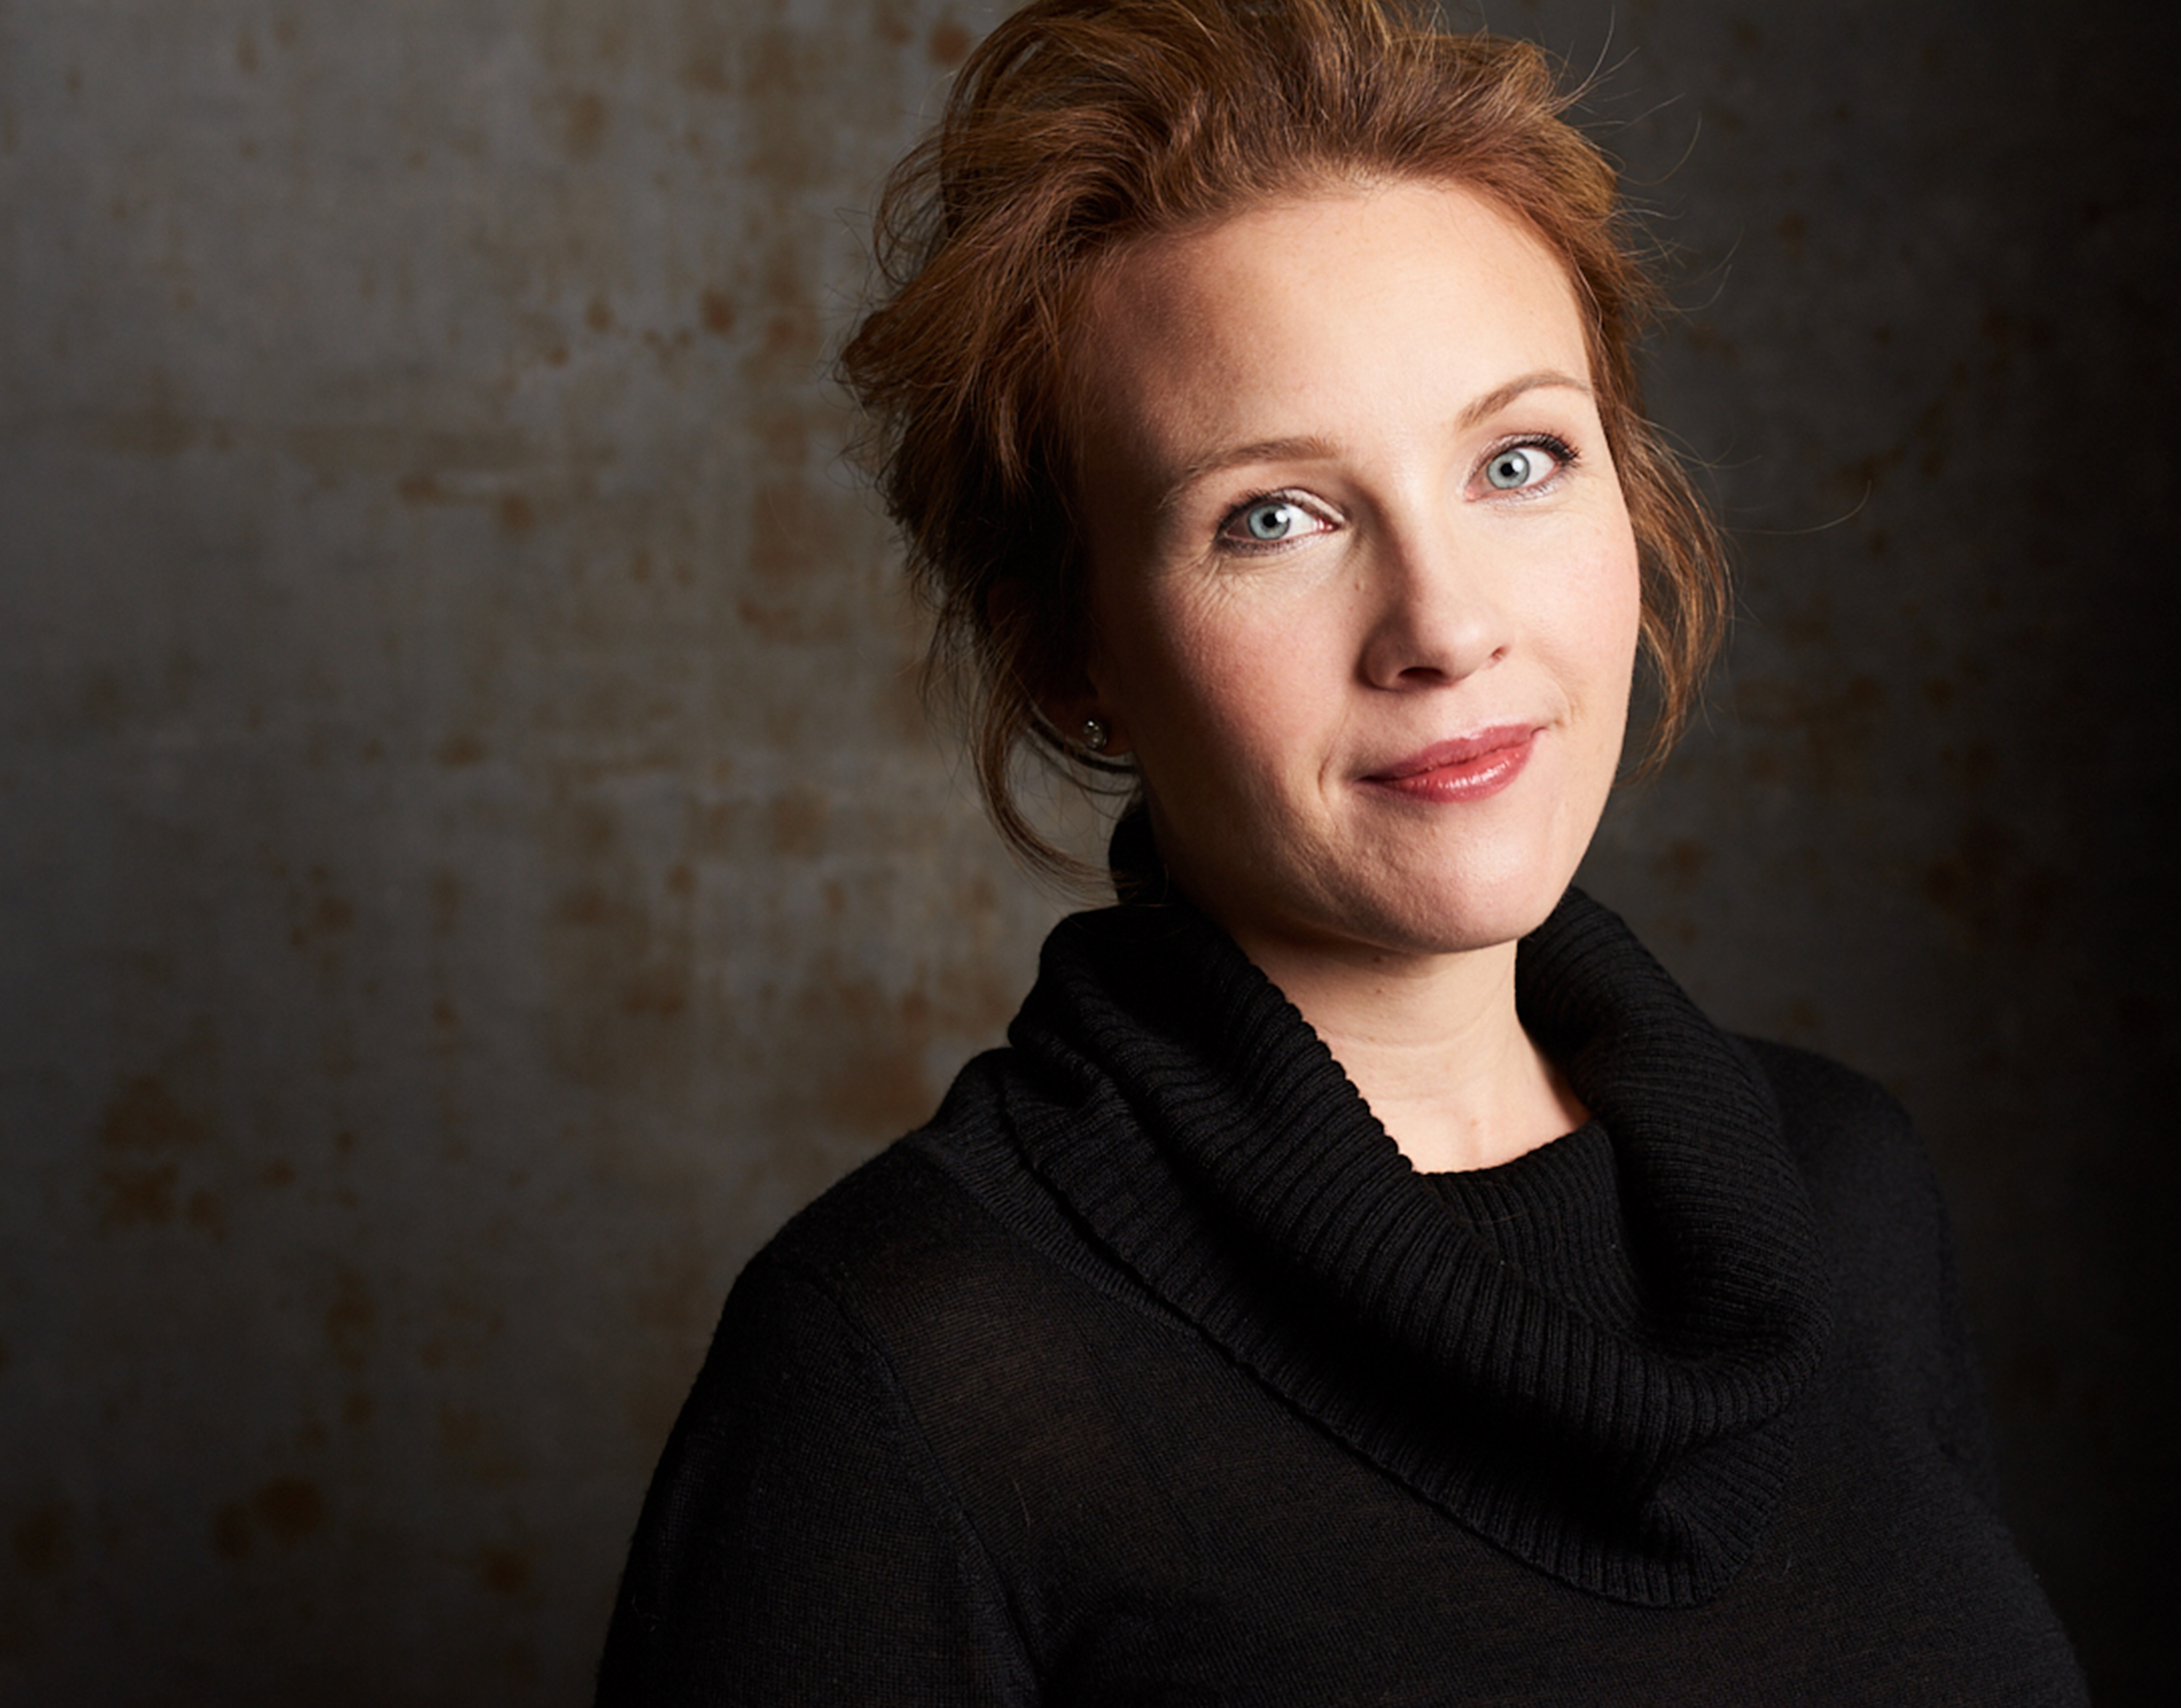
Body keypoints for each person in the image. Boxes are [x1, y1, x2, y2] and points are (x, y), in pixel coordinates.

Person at [596, 1, 2089, 1700]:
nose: (1445, 624)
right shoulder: (903, 1370)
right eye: (1275, 516)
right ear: (1065, 652)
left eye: (1518, 460)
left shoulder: (1844, 1186)